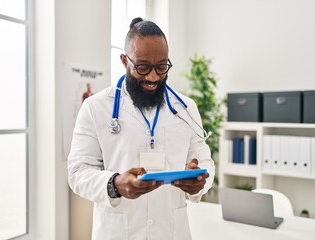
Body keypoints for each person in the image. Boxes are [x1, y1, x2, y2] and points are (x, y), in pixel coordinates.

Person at [68, 17, 215, 240]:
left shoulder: (185, 108)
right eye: (143, 67)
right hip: (118, 232)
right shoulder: (95, 107)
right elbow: (78, 172)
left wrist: (199, 181)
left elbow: (205, 161)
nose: (153, 76)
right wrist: (115, 184)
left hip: (171, 231)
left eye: (161, 66)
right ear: (124, 60)